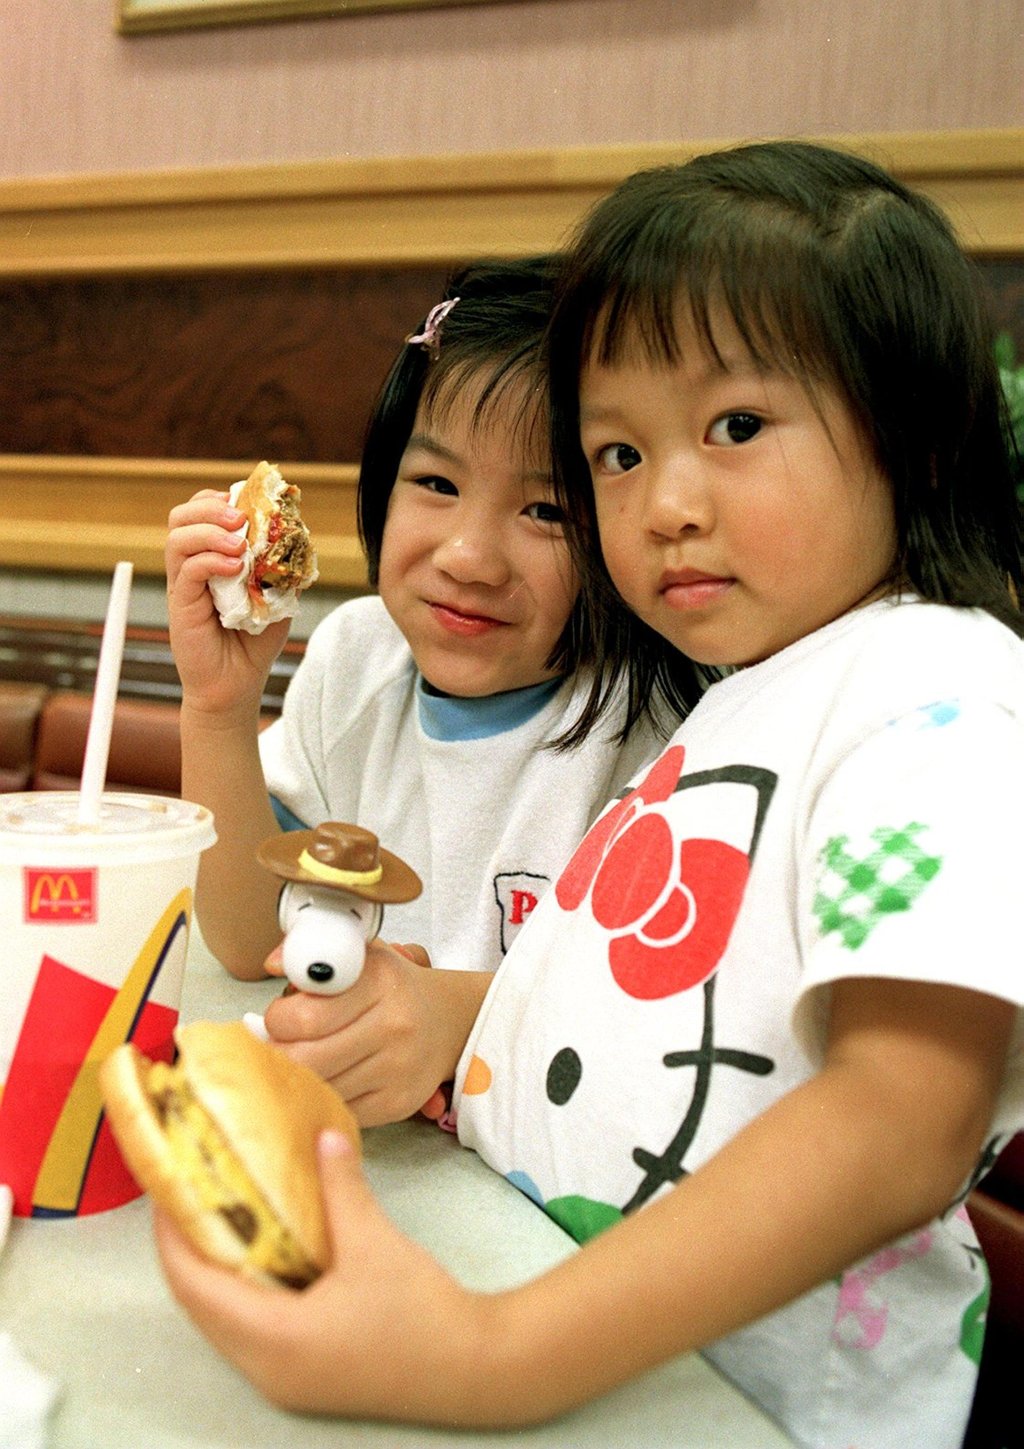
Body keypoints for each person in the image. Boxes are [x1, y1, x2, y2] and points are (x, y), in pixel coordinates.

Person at [157, 142, 1024, 1449]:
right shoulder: (755, 694)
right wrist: (452, 1020)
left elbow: (902, 1120)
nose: (664, 504)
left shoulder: (936, 688)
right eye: (617, 452)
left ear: (917, 433)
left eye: (736, 427)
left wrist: (492, 1355)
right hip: (610, 1354)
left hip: (766, 1407)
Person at [164, 256, 667, 1125]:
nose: (467, 557)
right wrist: (218, 707)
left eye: (547, 510)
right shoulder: (358, 658)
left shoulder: (652, 725)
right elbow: (250, 941)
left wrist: (457, 1016)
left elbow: (655, 1022)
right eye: (436, 483)